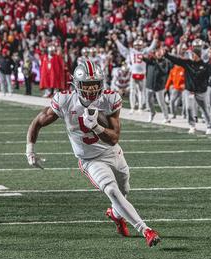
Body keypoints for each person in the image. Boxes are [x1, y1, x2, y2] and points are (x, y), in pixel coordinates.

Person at [26, 60, 161, 247]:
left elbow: (114, 138)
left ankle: (115, 214)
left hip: (113, 153)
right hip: (90, 159)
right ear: (76, 85)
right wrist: (30, 149)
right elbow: (37, 122)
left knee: (124, 191)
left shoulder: (109, 99)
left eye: (95, 85)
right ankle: (146, 229)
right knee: (112, 190)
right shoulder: (65, 100)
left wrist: (96, 126)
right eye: (86, 86)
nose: (91, 90)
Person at [165, 39, 211, 134]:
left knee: (205, 109)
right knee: (189, 108)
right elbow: (176, 60)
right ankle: (192, 126)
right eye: (192, 54)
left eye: (194, 54)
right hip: (189, 90)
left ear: (198, 55)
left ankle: (209, 126)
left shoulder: (205, 65)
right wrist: (166, 55)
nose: (192, 55)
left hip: (201, 91)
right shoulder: (188, 63)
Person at [113, 33, 158, 114]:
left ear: (142, 45)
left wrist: (154, 40)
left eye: (139, 45)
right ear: (134, 46)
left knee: (141, 91)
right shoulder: (131, 51)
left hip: (142, 74)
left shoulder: (145, 51)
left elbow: (152, 47)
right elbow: (122, 49)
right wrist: (116, 41)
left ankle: (140, 108)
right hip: (133, 74)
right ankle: (133, 108)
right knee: (133, 91)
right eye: (136, 45)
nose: (137, 47)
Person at [143, 47, 172, 123]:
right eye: (157, 52)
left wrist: (156, 63)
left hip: (159, 86)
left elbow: (164, 71)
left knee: (161, 102)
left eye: (160, 52)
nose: (158, 53)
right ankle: (152, 113)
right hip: (150, 85)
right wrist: (144, 55)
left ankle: (166, 117)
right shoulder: (151, 60)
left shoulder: (165, 61)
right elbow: (143, 58)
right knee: (149, 101)